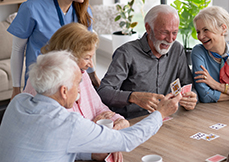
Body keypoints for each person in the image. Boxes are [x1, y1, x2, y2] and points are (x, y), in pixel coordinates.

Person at [0, 51, 181, 161]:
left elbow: (48, 147)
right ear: (64, 91)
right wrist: (160, 113)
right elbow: (126, 140)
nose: (80, 89)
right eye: (78, 83)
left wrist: (90, 154)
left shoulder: (18, 102)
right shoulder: (67, 122)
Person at [23, 23, 128, 161]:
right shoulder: (44, 83)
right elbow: (62, 138)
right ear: (69, 56)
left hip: (92, 149)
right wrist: (97, 129)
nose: (91, 64)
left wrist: (119, 121)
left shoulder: (81, 74)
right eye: (87, 58)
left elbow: (100, 109)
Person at [7, 0, 100, 100]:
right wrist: (16, 88)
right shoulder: (32, 8)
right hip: (43, 85)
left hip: (73, 84)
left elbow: (87, 49)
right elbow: (18, 50)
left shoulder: (84, 11)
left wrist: (92, 74)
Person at [96, 4, 197, 119]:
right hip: (132, 121)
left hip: (165, 119)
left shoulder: (177, 49)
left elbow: (188, 85)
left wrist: (192, 98)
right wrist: (133, 97)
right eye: (164, 32)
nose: (170, 39)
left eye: (174, 33)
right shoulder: (126, 53)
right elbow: (103, 92)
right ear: (148, 28)